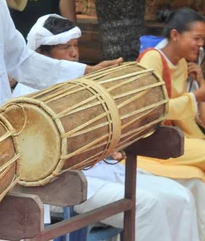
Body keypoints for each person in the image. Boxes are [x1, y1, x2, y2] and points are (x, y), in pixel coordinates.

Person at [12, 14, 200, 240]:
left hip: (101, 172)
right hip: (62, 185)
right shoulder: (26, 96)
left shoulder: (78, 84)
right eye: (66, 47)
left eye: (75, 45)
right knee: (149, 205)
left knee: (181, 197)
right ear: (41, 55)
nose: (75, 53)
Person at [134, 8, 205, 237]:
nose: (200, 45)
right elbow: (154, 110)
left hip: (171, 139)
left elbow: (182, 115)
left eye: (202, 39)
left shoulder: (182, 64)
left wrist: (200, 140)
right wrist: (196, 97)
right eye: (196, 38)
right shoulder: (151, 59)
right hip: (148, 143)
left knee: (198, 176)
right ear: (175, 35)